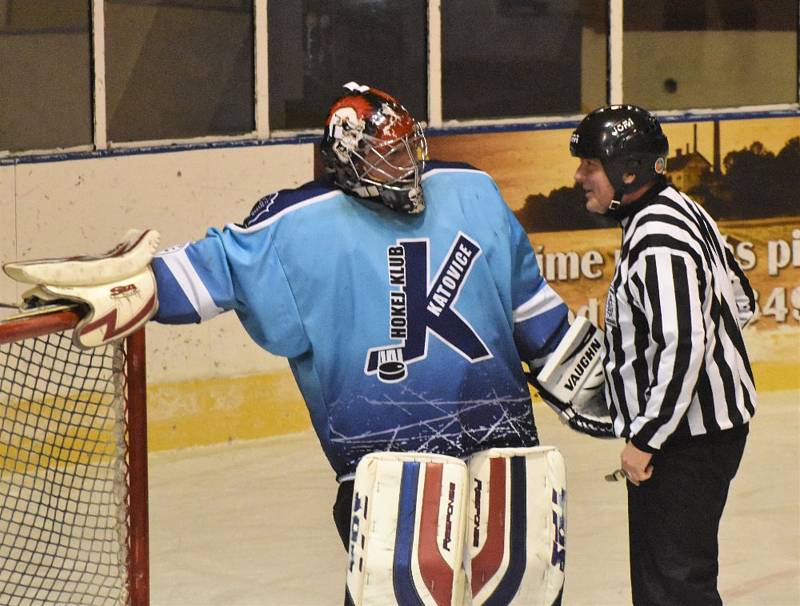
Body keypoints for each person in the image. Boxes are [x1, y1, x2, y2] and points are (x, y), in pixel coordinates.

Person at [570, 104, 757, 606]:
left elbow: (685, 345)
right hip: (700, 433)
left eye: (590, 164)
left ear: (627, 171)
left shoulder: (657, 239)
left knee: (674, 589)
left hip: (685, 442)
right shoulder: (680, 207)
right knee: (668, 583)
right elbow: (742, 298)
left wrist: (646, 439)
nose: (580, 176)